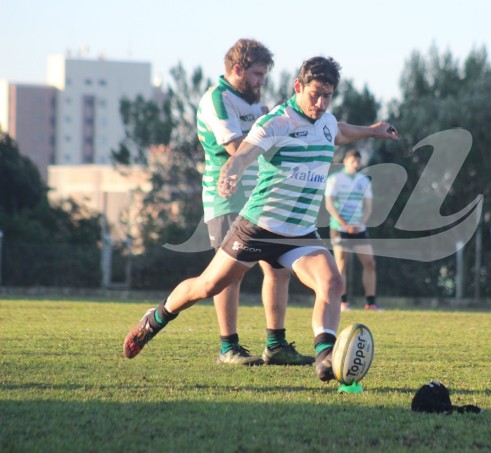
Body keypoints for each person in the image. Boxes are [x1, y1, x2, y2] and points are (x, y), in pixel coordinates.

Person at [123, 56, 399, 382]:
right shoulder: (276, 122)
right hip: (259, 227)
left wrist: (372, 131)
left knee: (332, 282)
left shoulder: (326, 120)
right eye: (315, 94)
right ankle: (156, 316)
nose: (322, 103)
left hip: (299, 232)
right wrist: (232, 172)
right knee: (208, 285)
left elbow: (338, 132)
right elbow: (245, 152)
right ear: (298, 87)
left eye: (328, 95)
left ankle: (326, 356)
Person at [197, 38, 311, 366]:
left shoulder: (254, 104)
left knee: (277, 268)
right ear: (238, 70)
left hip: (263, 198)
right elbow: (238, 150)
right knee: (228, 275)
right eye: (258, 75)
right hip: (227, 200)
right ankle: (227, 347)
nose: (262, 82)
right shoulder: (217, 99)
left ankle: (276, 345)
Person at [325, 149, 381, 311]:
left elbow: (368, 206)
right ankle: (342, 302)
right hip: (339, 228)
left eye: (357, 162)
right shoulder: (335, 179)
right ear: (346, 162)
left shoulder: (363, 180)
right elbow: (329, 204)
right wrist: (344, 224)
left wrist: (360, 224)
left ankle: (370, 303)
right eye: (352, 161)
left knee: (370, 262)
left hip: (359, 229)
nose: (355, 164)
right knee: (341, 264)